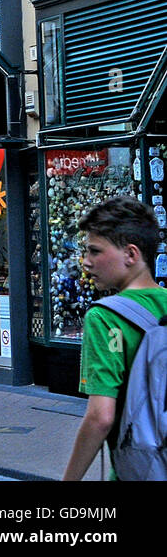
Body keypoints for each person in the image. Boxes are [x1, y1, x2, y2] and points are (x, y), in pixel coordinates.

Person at [62, 196, 167, 481]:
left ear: (131, 254)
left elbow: (101, 417)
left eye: (95, 251)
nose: (86, 262)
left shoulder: (105, 318)